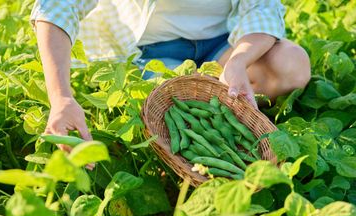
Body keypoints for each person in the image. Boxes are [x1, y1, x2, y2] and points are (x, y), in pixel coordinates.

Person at [31, 0, 311, 153]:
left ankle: (229, 107)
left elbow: (262, 9)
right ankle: (217, 113)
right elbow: (57, 6)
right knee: (173, 116)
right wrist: (61, 97)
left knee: (291, 63)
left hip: (224, 46)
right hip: (153, 54)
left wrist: (237, 63)